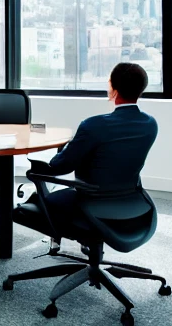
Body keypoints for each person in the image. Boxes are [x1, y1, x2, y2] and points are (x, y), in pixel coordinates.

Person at [40, 62, 158, 224]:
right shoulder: (150, 124)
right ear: (141, 89)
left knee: (34, 201)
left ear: (113, 88)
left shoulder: (94, 125)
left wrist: (61, 150)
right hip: (131, 200)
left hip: (92, 203)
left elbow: (59, 167)